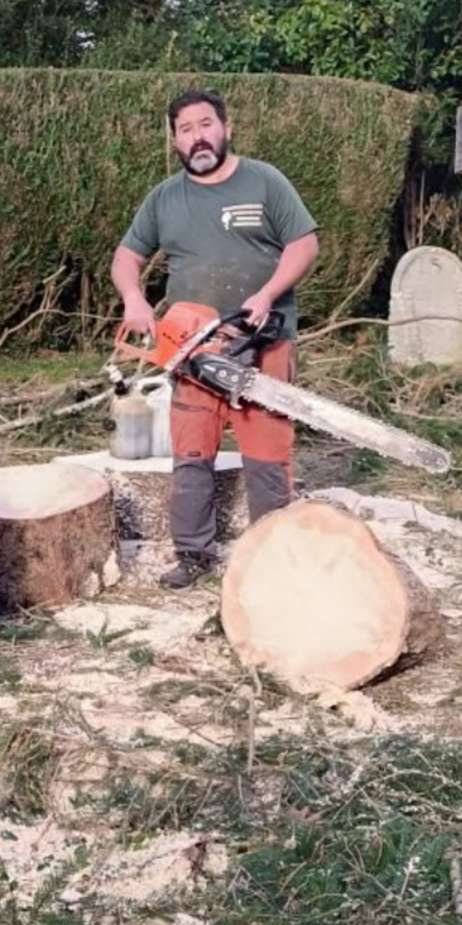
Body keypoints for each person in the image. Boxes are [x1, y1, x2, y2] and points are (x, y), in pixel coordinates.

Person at [110, 88, 321, 589]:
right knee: (191, 455)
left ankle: (271, 554)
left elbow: (304, 243)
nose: (198, 137)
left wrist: (267, 294)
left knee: (267, 455)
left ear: (226, 128)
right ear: (174, 140)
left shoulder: (264, 181)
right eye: (186, 129)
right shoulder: (164, 198)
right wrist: (134, 299)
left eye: (206, 124)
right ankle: (193, 555)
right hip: (193, 347)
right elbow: (126, 257)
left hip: (263, 339)